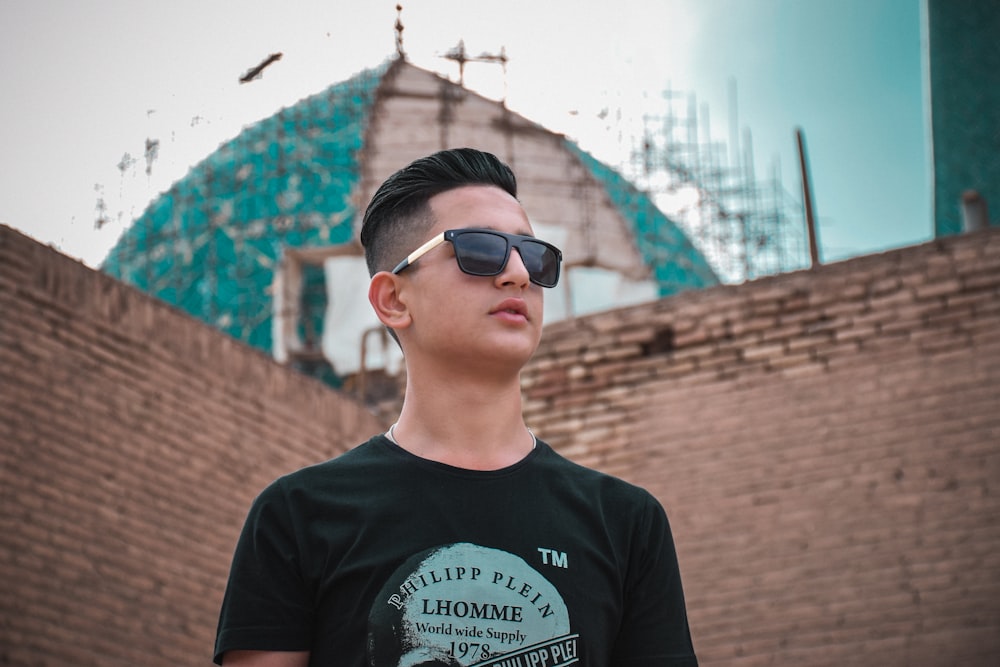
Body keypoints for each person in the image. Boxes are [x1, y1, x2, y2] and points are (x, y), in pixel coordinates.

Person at [214, 148, 698, 666]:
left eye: (534, 256)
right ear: (393, 300)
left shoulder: (626, 524)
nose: (517, 273)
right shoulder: (298, 515)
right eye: (480, 249)